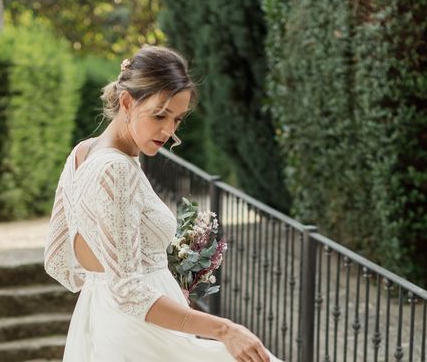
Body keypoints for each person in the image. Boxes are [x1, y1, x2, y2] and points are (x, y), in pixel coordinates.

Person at [44, 45, 284, 361]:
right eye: (159, 115)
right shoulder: (116, 170)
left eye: (177, 119)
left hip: (104, 321)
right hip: (138, 336)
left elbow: (59, 258)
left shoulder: (83, 154)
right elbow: (128, 289)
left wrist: (134, 274)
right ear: (127, 102)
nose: (169, 131)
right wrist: (225, 329)